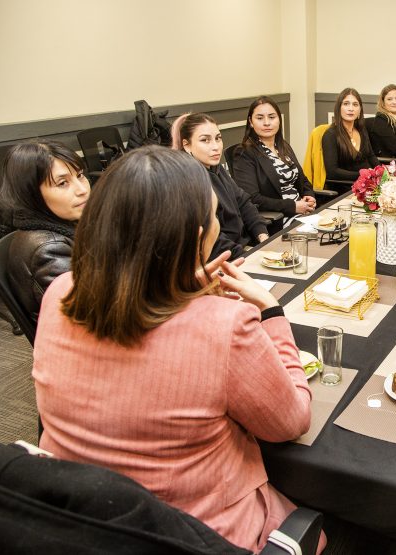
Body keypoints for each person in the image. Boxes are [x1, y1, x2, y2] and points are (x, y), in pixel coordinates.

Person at [32, 146, 323, 554]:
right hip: (196, 535)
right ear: (193, 237)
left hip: (77, 523)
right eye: (211, 218)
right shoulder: (224, 325)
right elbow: (292, 422)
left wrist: (182, 283)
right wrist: (271, 312)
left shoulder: (59, 293)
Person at [0, 141, 90, 321]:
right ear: (32, 194)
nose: (82, 189)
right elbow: (90, 316)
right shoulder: (48, 249)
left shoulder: (64, 221)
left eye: (80, 175)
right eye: (62, 183)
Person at [171, 112, 268, 259]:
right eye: (205, 140)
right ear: (187, 145)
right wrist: (248, 257)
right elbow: (210, 239)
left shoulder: (216, 168)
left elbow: (243, 202)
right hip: (220, 258)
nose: (216, 147)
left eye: (218, 138)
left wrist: (262, 235)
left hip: (242, 248)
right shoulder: (187, 180)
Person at [231, 96, 316, 229]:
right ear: (251, 122)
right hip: (279, 218)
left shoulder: (283, 146)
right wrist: (293, 206)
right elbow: (252, 198)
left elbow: (303, 180)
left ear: (279, 120)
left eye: (272, 117)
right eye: (260, 118)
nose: (267, 123)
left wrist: (309, 196)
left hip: (304, 211)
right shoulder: (244, 153)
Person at [321, 87, 379, 182]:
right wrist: (363, 175)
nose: (351, 109)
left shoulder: (361, 130)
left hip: (369, 182)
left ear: (360, 109)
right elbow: (332, 172)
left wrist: (382, 171)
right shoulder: (330, 135)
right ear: (339, 108)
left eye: (355, 105)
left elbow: (371, 156)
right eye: (346, 104)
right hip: (346, 187)